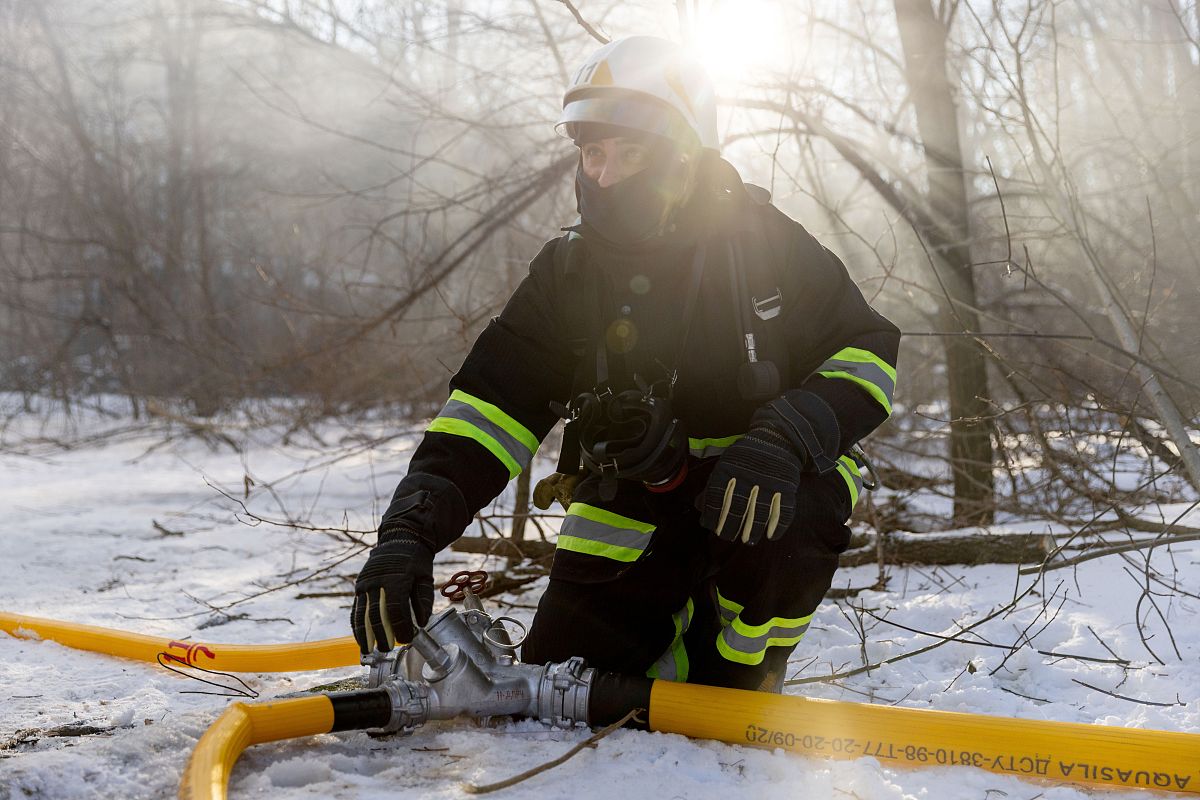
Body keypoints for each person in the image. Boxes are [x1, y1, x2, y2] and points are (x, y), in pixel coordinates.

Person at [351, 36, 900, 693]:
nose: (605, 177)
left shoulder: (764, 244)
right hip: (632, 496)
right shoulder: (568, 273)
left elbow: (866, 352)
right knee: (561, 677)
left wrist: (784, 436)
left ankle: (741, 674)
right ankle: (667, 664)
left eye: (630, 152)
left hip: (758, 492)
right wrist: (408, 534)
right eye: (593, 154)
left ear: (686, 159)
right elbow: (487, 413)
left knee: (797, 512)